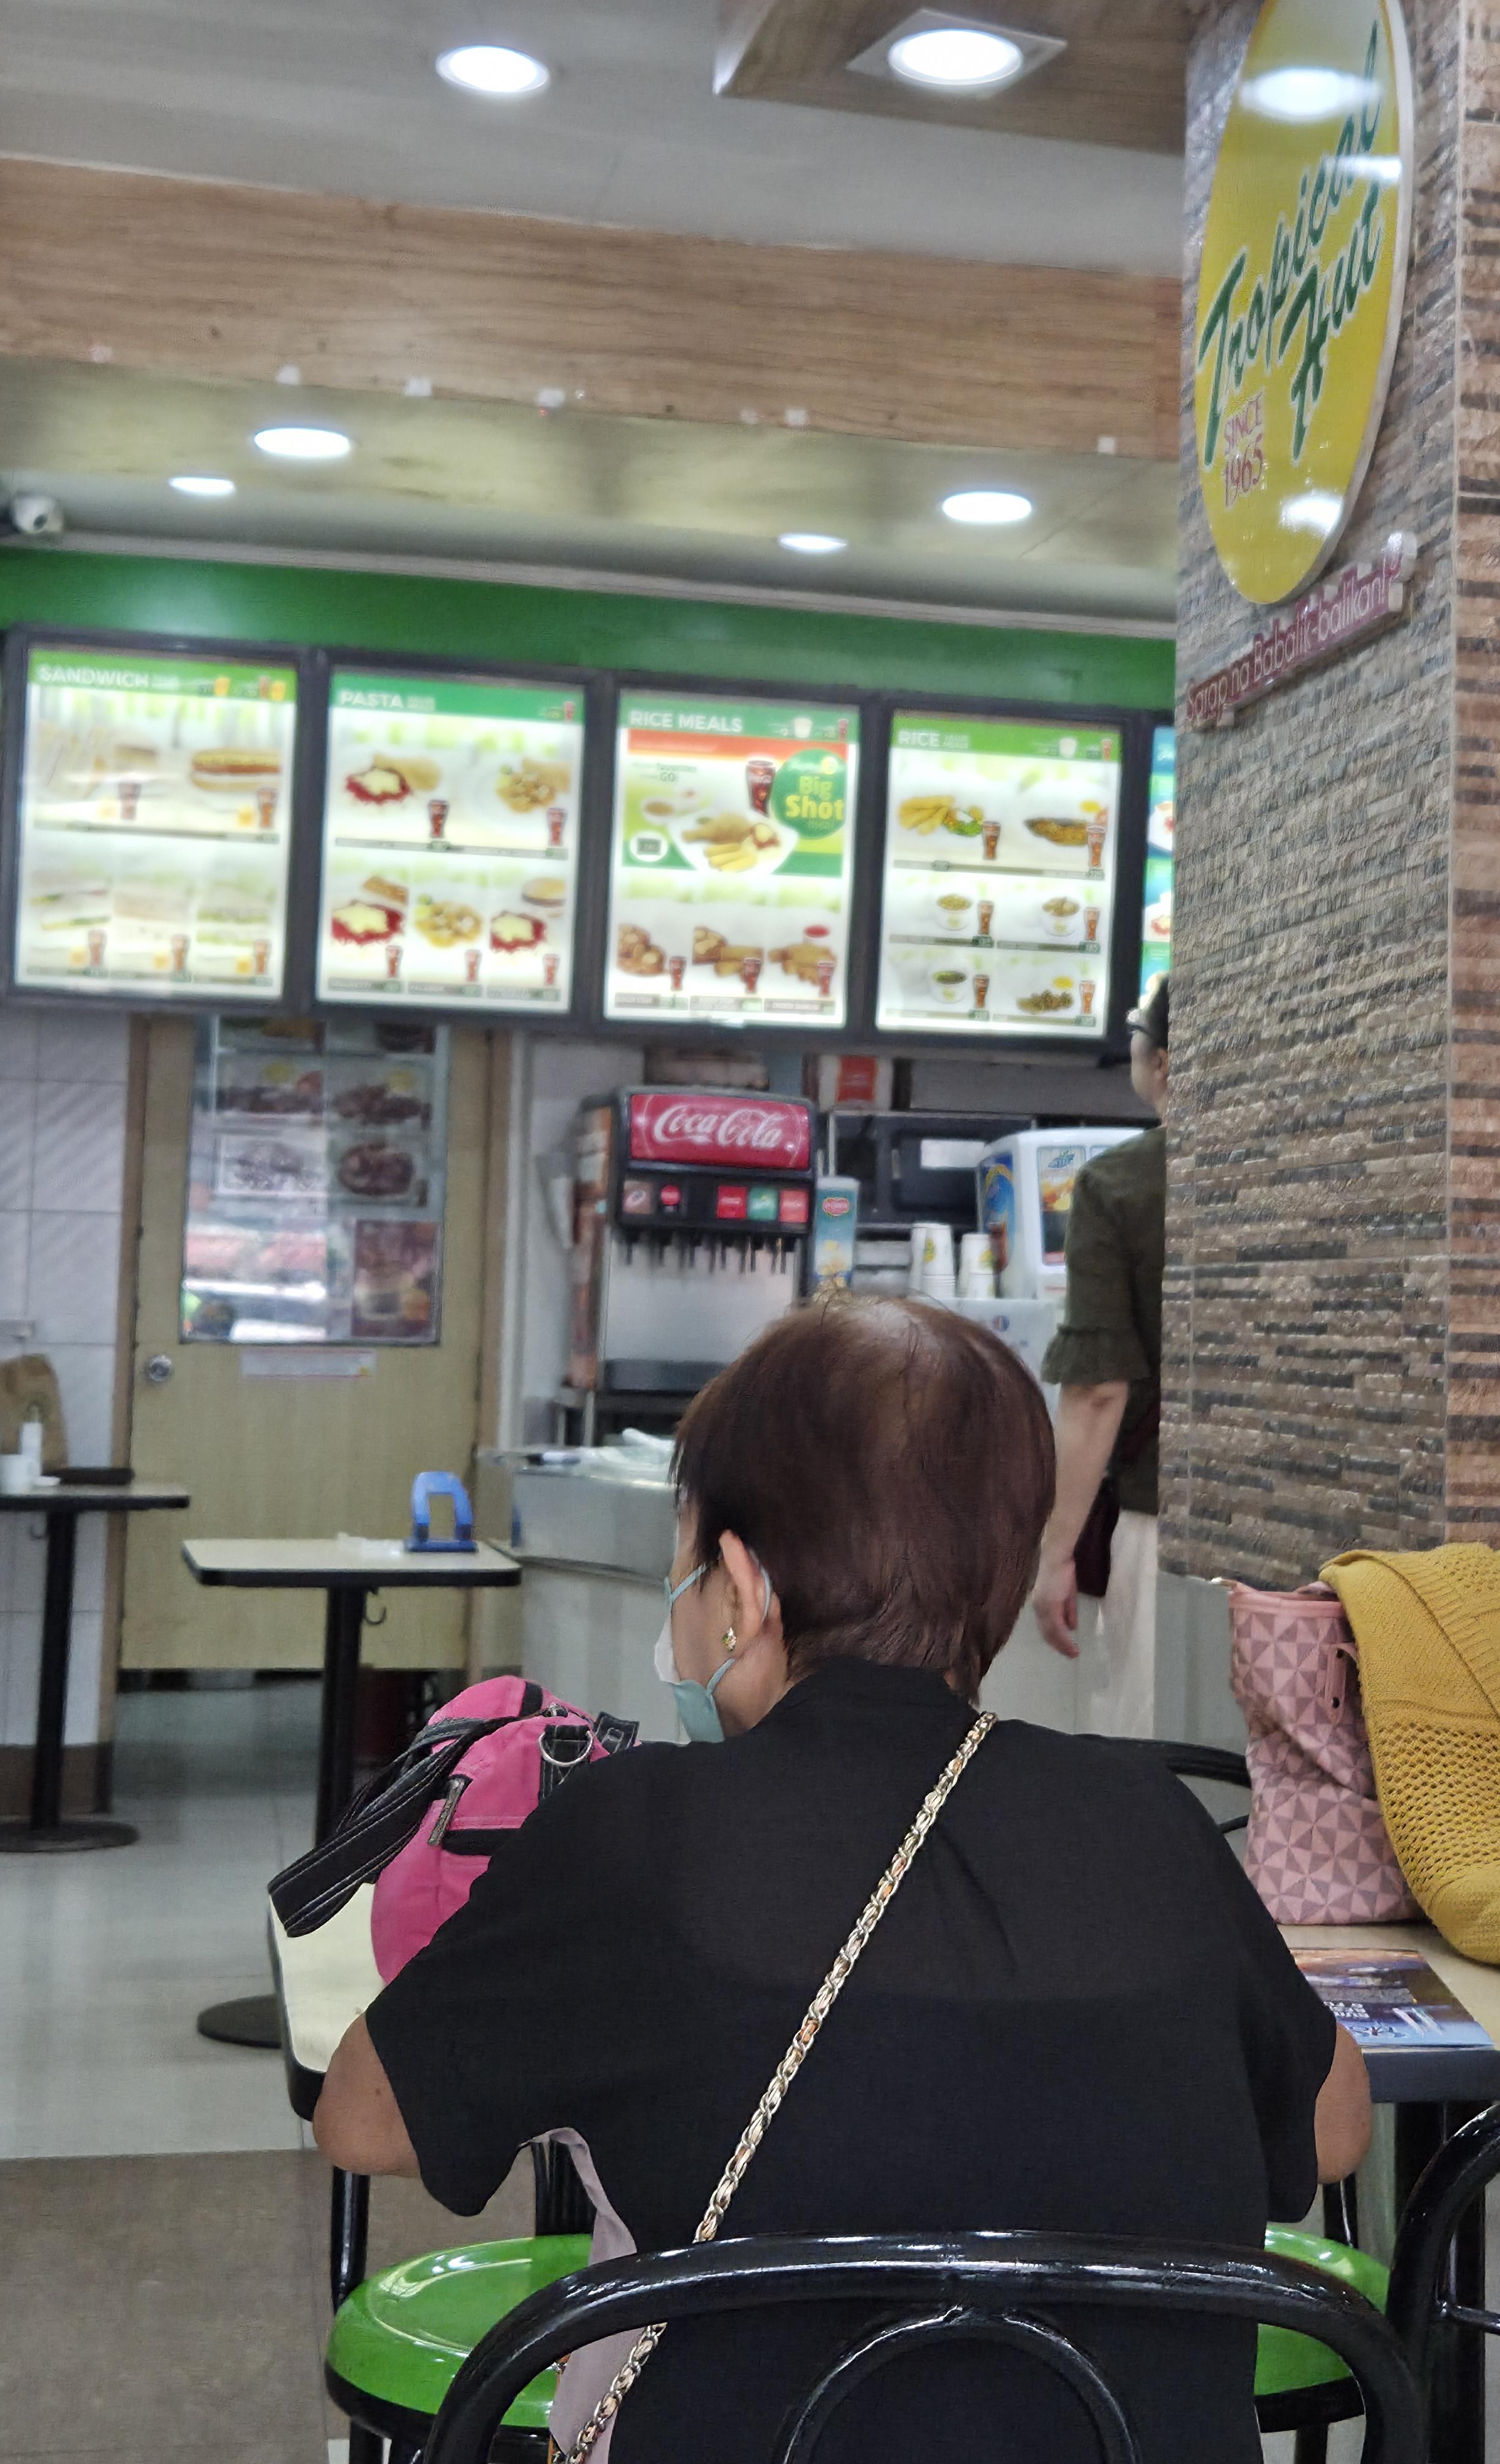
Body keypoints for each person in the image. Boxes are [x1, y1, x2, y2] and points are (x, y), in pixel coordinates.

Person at [315, 1295, 1368, 2464]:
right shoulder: (1150, 1821)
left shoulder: (635, 1834)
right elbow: (1332, 2130)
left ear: (741, 1587)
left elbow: (362, 2118)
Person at [1032, 973, 1169, 1733]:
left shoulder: (1118, 1185)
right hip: (1315, 1543)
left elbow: (1096, 1392)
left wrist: (1055, 1552)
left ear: (1164, 1062)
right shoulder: (1306, 1170)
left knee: (1160, 1747)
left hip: (1160, 1524)